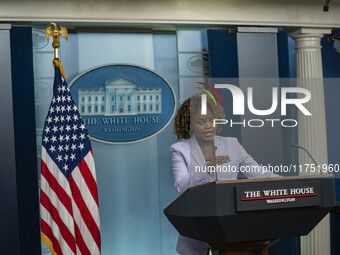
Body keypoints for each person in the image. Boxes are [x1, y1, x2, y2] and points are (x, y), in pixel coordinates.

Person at [170, 94, 279, 255]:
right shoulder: (180, 150)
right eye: (201, 122)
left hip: (229, 221)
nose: (209, 126)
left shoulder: (231, 144)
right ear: (189, 125)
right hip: (198, 221)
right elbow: (181, 184)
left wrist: (285, 183)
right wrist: (207, 168)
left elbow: (258, 172)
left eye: (212, 120)